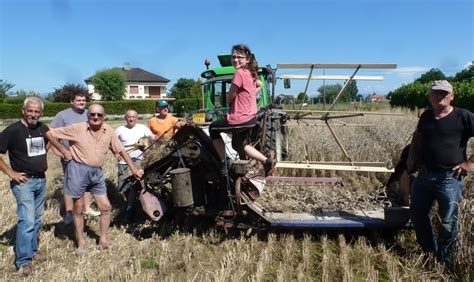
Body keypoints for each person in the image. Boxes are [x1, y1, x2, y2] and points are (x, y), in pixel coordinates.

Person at [48, 104, 144, 254]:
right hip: (78, 171)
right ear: (88, 116)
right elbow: (49, 133)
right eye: (92, 114)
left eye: (99, 115)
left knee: (106, 207)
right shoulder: (77, 128)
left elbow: (121, 150)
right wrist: (62, 151)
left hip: (97, 173)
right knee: (78, 208)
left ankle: (103, 240)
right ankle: (80, 242)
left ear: (104, 116)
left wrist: (134, 169)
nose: (95, 117)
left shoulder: (108, 130)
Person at [407, 80, 474, 263]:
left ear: (452, 96)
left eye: (444, 93)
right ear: (429, 96)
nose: (440, 96)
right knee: (417, 214)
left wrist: (469, 163)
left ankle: (444, 259)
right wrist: (411, 157)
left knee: (448, 221)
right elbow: (417, 136)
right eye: (436, 93)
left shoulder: (464, 116)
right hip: (425, 175)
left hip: (450, 178)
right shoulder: (426, 116)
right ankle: (429, 252)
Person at [0, 97, 68, 276]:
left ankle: (32, 250)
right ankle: (23, 261)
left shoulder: (42, 127)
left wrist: (67, 153)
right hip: (24, 183)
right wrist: (10, 172)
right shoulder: (13, 130)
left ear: (41, 113)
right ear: (23, 111)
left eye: (37, 112)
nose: (33, 114)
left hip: (40, 180)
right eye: (30, 111)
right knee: (27, 221)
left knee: (37, 219)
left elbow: (54, 141)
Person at [209, 44, 276, 176]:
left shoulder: (239, 73)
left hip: (239, 118)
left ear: (247, 59)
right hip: (250, 118)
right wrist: (250, 94)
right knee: (238, 145)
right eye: (233, 57)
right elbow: (260, 84)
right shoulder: (250, 73)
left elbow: (230, 97)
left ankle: (224, 162)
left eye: (240, 57)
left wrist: (234, 97)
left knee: (212, 128)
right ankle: (267, 161)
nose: (235, 60)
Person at [50, 93, 100, 225]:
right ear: (71, 101)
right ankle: (69, 212)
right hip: (71, 158)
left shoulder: (89, 114)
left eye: (84, 100)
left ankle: (87, 208)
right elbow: (50, 134)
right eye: (78, 100)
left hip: (88, 157)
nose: (81, 102)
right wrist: (59, 151)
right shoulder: (62, 115)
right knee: (69, 185)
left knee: (87, 183)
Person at [115, 109, 153, 220]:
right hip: (123, 162)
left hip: (139, 161)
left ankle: (131, 207)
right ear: (125, 118)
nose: (131, 119)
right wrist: (116, 153)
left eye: (133, 117)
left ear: (137, 118)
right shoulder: (119, 130)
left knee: (134, 185)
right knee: (123, 187)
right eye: (129, 117)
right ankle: (131, 203)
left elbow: (152, 138)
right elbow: (111, 143)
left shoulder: (143, 128)